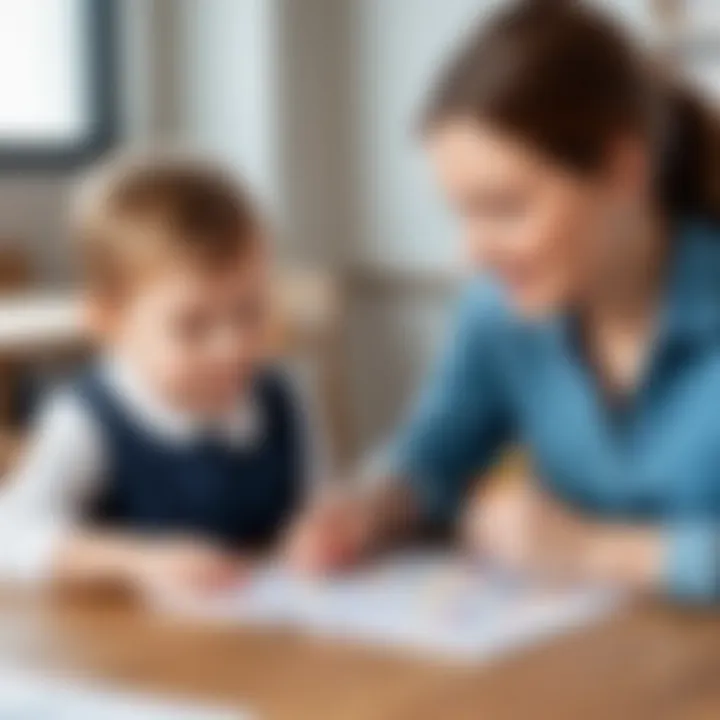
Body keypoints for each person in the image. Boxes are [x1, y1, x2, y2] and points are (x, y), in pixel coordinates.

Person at [286, 0, 720, 603]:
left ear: (624, 170)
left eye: (505, 208)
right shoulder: (499, 308)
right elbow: (433, 452)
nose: (472, 254)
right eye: (462, 214)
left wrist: (596, 551)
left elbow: (586, 551)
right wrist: (373, 506)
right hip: (595, 665)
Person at [0, 154, 314, 595]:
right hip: (133, 650)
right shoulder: (89, 420)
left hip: (269, 635)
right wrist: (137, 561)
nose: (232, 346)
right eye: (193, 326)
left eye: (250, 311)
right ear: (110, 320)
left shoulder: (281, 398)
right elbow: (10, 537)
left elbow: (313, 503)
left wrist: (322, 530)